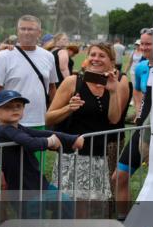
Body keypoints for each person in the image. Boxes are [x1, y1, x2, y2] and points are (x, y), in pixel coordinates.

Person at [45, 43, 129, 209]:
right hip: (72, 156)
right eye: (93, 55)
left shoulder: (113, 85)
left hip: (98, 156)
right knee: (70, 206)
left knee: (89, 208)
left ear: (111, 62)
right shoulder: (73, 82)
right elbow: (48, 118)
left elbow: (114, 119)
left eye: (101, 56)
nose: (96, 59)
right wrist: (69, 108)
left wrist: (112, 91)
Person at [0, 89, 81, 202]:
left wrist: (72, 139)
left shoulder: (19, 128)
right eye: (7, 107)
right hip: (23, 190)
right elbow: (31, 143)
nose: (14, 109)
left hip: (37, 183)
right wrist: (50, 142)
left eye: (18, 106)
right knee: (34, 218)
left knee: (65, 202)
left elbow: (41, 133)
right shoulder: (4, 130)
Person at [0, 15, 59, 129]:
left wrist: (52, 113)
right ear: (17, 31)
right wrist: (0, 117)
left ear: (39, 32)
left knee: (39, 146)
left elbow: (52, 87)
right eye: (22, 29)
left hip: (39, 121)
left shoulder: (48, 56)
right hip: (10, 123)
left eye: (30, 29)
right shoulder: (3, 56)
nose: (26, 32)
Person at [114, 29, 153, 216]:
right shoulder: (142, 67)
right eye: (142, 44)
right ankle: (124, 222)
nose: (143, 47)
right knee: (119, 177)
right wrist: (138, 110)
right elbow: (137, 91)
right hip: (142, 129)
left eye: (148, 44)